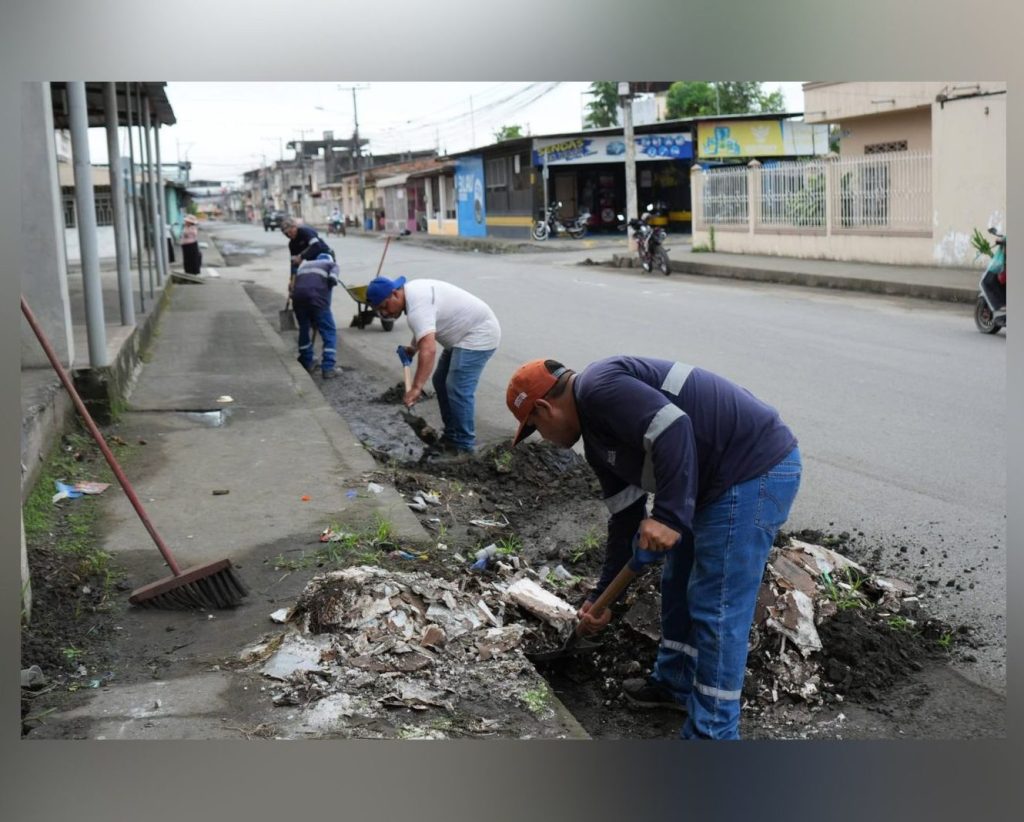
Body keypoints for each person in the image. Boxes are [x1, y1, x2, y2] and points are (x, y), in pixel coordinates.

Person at [505, 356, 801, 740]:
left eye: (535, 427)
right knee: (677, 581)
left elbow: (675, 427)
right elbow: (625, 521)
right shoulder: (597, 442)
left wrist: (669, 515)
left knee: (719, 604)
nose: (542, 438)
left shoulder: (598, 387)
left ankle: (713, 734)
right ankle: (675, 682)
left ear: (544, 407)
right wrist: (602, 600)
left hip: (751, 469)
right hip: (707, 483)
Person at [367, 275, 500, 455]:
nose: (385, 313)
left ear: (395, 294)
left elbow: (428, 350)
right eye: (380, 311)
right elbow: (426, 327)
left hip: (478, 334)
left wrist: (416, 388)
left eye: (384, 306)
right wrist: (413, 348)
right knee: (440, 380)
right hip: (462, 335)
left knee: (457, 387)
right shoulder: (412, 295)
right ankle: (452, 434)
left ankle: (464, 446)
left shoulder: (417, 307)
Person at [291, 252, 341, 379]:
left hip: (297, 299)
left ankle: (307, 361)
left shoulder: (305, 265)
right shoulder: (331, 264)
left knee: (304, 328)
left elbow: (296, 283)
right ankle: (328, 367)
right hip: (317, 300)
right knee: (329, 330)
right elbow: (332, 280)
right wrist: (321, 313)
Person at [281, 217, 334, 293]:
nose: (289, 234)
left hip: (324, 256)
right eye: (286, 233)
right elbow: (294, 264)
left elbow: (316, 245)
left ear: (295, 227)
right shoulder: (292, 244)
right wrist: (292, 280)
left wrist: (301, 256)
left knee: (323, 285)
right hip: (313, 263)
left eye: (290, 231)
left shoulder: (305, 232)